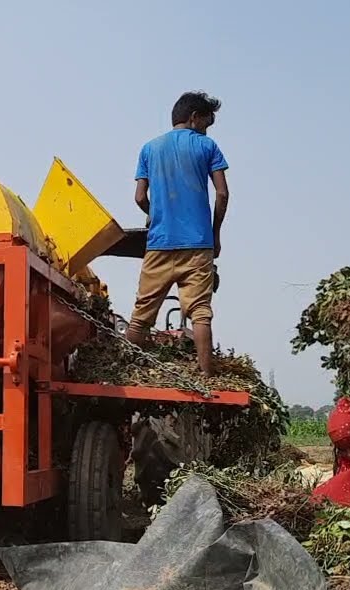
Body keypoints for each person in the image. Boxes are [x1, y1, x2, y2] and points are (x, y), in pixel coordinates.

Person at [127, 91, 230, 376]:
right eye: (206, 123)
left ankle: (124, 373)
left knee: (141, 317)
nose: (206, 130)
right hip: (198, 244)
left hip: (159, 244)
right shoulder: (207, 146)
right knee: (200, 312)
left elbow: (138, 197)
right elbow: (222, 194)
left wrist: (154, 213)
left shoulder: (149, 148)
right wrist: (215, 234)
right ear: (194, 117)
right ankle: (207, 377)